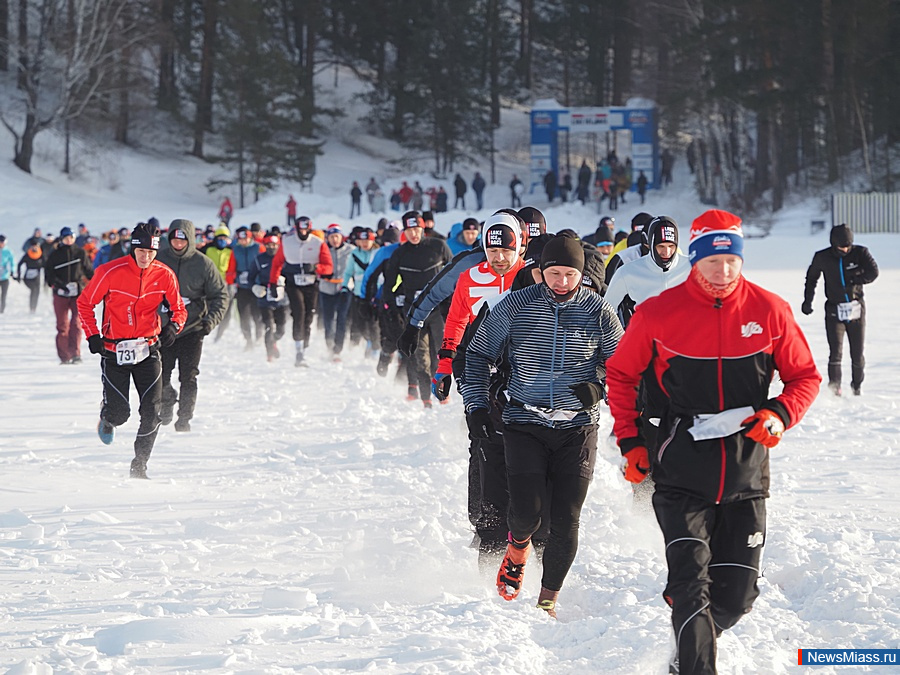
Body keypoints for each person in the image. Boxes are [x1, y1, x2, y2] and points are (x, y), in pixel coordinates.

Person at [606, 209, 821, 675]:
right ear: (695, 260)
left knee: (736, 598)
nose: (723, 273)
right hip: (681, 468)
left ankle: (686, 647)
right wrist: (630, 441)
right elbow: (621, 374)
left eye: (732, 262)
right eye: (712, 263)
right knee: (689, 587)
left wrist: (780, 414)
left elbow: (804, 376)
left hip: (746, 470)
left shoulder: (769, 310)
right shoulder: (659, 313)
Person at [461, 235, 623, 617]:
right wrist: (477, 406)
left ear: (582, 275)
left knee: (567, 518)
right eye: (554, 273)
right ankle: (517, 547)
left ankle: (547, 599)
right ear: (541, 272)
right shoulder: (516, 305)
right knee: (525, 514)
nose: (562, 282)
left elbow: (624, 364)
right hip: (524, 420)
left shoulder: (598, 310)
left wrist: (598, 385)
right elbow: (478, 355)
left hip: (577, 427)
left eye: (570, 274)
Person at [77, 223, 187, 479]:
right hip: (114, 352)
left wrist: (173, 327)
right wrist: (93, 334)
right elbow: (84, 303)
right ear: (133, 248)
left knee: (152, 412)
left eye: (151, 251)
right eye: (141, 251)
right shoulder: (109, 272)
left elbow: (179, 309)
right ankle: (108, 414)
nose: (146, 256)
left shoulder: (165, 274)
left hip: (148, 350)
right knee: (120, 414)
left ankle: (140, 464)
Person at [156, 219, 229, 432]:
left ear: (190, 239)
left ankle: (184, 419)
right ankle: (167, 401)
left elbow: (220, 295)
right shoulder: (158, 261)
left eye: (182, 239)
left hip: (193, 327)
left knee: (188, 375)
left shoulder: (203, 263)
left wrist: (210, 321)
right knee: (161, 374)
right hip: (164, 328)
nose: (178, 243)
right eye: (174, 239)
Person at [381, 211, 453, 407]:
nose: (414, 234)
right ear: (404, 231)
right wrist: (392, 311)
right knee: (420, 357)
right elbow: (389, 285)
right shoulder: (400, 253)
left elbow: (455, 273)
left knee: (441, 353)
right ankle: (425, 398)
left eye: (417, 229)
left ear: (423, 229)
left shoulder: (438, 246)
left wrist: (453, 301)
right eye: (410, 230)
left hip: (438, 310)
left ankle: (442, 392)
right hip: (414, 312)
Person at [802, 223, 879, 396]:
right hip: (833, 310)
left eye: (848, 246)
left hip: (856, 308)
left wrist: (857, 277)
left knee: (857, 352)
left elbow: (873, 272)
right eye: (841, 247)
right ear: (833, 244)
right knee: (835, 352)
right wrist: (808, 301)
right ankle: (834, 389)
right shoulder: (822, 257)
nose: (845, 250)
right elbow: (811, 278)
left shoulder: (860, 253)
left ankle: (856, 387)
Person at [268, 215, 333, 366]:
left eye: (306, 228)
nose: (303, 232)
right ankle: (298, 351)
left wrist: (317, 268)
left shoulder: (318, 243)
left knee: (309, 316)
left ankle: (304, 346)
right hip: (293, 283)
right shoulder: (287, 242)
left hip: (311, 285)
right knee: (299, 313)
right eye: (301, 228)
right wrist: (272, 283)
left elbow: (329, 266)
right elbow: (277, 263)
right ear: (296, 228)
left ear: (310, 228)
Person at [604, 216, 690, 329]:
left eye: (671, 246)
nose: (666, 252)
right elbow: (606, 310)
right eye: (661, 246)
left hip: (684, 339)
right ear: (650, 244)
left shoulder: (692, 267)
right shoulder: (628, 272)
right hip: (646, 339)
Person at [45, 226, 94, 364]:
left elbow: (89, 271)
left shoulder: (80, 253)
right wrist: (60, 285)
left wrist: (97, 283)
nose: (69, 240)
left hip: (77, 292)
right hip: (60, 294)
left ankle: (76, 354)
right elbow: (49, 275)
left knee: (77, 323)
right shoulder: (54, 254)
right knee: (62, 325)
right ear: (61, 239)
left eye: (71, 238)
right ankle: (64, 356)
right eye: (66, 238)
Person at [249, 232, 289, 361]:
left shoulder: (285, 258)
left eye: (274, 245)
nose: (271, 247)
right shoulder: (259, 259)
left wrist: (285, 280)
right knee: (268, 326)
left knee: (281, 328)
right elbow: (250, 278)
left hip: (282, 298)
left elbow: (291, 274)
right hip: (264, 298)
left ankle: (273, 341)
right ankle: (269, 353)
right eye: (269, 245)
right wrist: (255, 287)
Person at [318, 225, 355, 360]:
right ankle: (329, 345)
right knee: (328, 319)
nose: (334, 240)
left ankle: (337, 349)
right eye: (331, 237)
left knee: (342, 318)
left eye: (337, 237)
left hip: (344, 288)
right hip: (326, 288)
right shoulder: (323, 250)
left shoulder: (350, 250)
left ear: (341, 237)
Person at [343, 227, 380, 354]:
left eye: (367, 240)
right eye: (362, 240)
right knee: (358, 322)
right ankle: (359, 343)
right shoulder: (354, 254)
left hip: (374, 294)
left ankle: (373, 348)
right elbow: (348, 272)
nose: (364, 243)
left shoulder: (378, 253)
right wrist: (344, 286)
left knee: (373, 323)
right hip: (358, 293)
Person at [226, 225, 264, 349]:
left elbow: (265, 264)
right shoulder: (235, 250)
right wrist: (231, 282)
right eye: (241, 240)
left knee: (257, 314)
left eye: (245, 239)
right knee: (244, 316)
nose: (243, 242)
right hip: (242, 287)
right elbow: (231, 268)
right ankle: (248, 339)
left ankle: (259, 336)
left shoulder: (258, 248)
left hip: (256, 286)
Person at [17, 241, 45, 313]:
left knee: (37, 291)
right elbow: (19, 264)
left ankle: (34, 308)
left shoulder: (41, 255)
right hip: (28, 277)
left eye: (36, 247)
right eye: (33, 247)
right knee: (33, 290)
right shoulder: (27, 255)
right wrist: (19, 275)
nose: (34, 248)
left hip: (37, 277)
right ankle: (31, 307)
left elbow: (46, 265)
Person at [0, 235, 13, 313]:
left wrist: (12, 271)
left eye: (2, 242)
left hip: (4, 277)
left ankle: (2, 310)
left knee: (3, 295)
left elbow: (12, 262)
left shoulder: (8, 251)